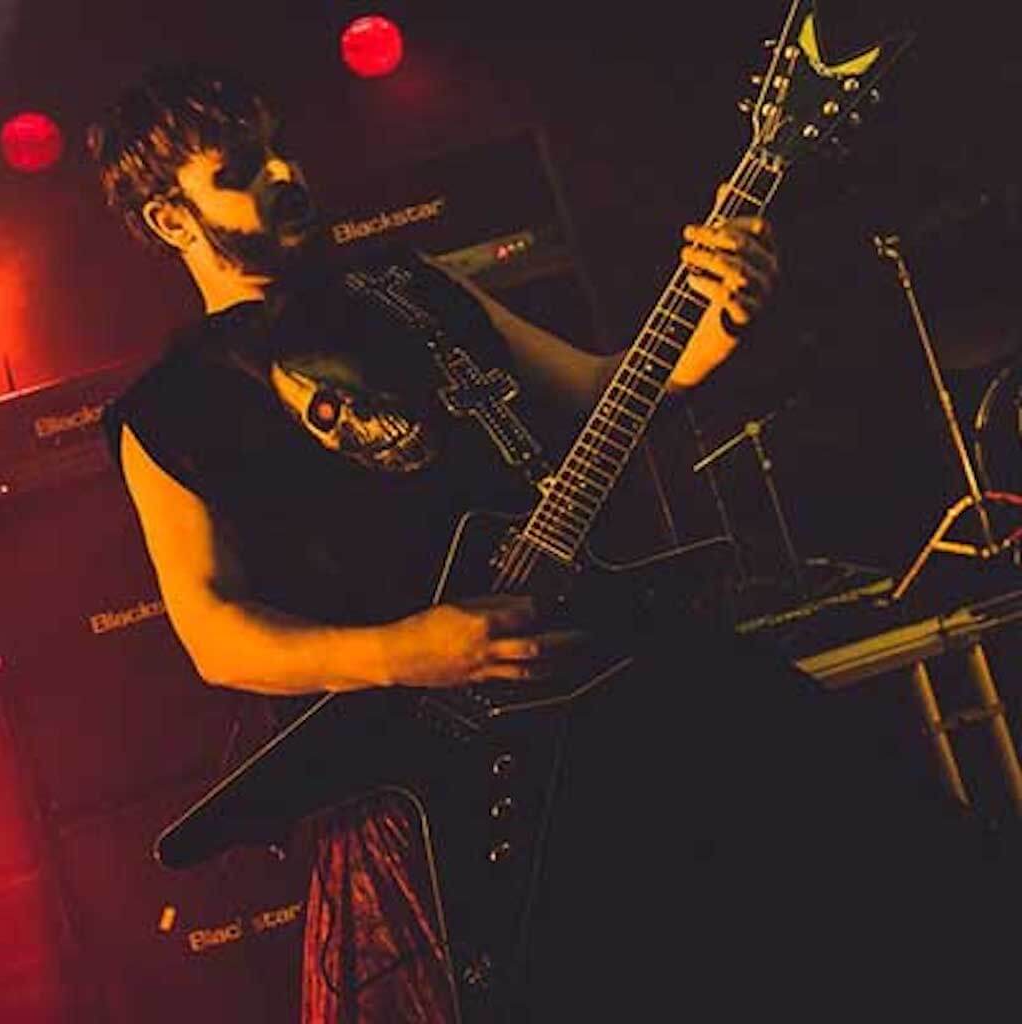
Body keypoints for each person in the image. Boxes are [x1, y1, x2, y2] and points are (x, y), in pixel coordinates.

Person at [88, 63, 979, 1022]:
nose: (282, 173)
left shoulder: (407, 288)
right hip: (456, 790)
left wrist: (718, 320)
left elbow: (602, 391)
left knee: (891, 893)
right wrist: (405, 651)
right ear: (172, 219)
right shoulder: (171, 411)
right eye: (240, 170)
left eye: (278, 148)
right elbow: (214, 632)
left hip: (621, 673)